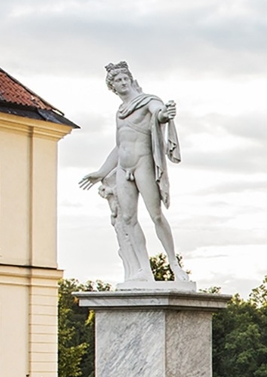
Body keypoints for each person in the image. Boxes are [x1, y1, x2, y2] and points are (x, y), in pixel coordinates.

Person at [80, 62, 189, 284]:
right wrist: (101, 172)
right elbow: (120, 146)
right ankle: (143, 270)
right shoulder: (119, 112)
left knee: (156, 215)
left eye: (125, 79)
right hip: (123, 168)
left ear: (130, 80)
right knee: (128, 219)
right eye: (117, 81)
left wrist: (165, 114)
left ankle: (174, 265)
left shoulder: (148, 100)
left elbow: (158, 113)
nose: (122, 82)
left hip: (143, 164)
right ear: (113, 87)